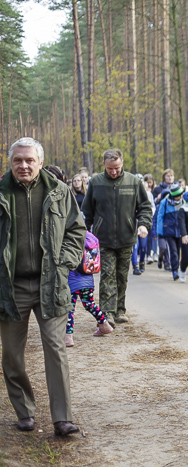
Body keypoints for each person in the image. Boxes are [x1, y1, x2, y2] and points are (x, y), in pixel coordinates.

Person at [0, 137, 86, 436]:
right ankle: (24, 411)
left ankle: (62, 418)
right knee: (12, 354)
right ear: (10, 162)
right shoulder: (1, 192)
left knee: (56, 349)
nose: (23, 165)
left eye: (29, 160)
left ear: (40, 162)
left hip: (51, 283)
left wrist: (64, 262)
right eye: (17, 160)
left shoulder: (59, 191)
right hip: (10, 287)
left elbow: (76, 230)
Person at [81, 149, 152, 326]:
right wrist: (84, 232)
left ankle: (120, 309)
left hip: (126, 237)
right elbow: (87, 211)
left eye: (117, 168)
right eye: (110, 168)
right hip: (103, 239)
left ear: (122, 164)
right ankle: (107, 313)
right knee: (107, 275)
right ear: (104, 164)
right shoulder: (96, 182)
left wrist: (143, 224)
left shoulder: (133, 182)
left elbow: (144, 207)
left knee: (121, 275)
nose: (114, 172)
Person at [65, 231, 113, 346]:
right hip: (88, 277)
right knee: (89, 303)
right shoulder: (90, 237)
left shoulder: (69, 235)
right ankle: (105, 325)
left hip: (72, 279)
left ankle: (68, 337)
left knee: (69, 308)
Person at [157, 183, 186, 281]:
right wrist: (160, 232)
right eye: (178, 196)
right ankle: (174, 271)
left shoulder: (183, 202)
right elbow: (160, 217)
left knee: (178, 251)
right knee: (173, 251)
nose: (180, 197)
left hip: (180, 231)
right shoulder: (164, 203)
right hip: (169, 231)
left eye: (181, 195)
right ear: (173, 196)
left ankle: (178, 268)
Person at [153, 169, 175, 270]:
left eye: (171, 176)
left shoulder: (176, 188)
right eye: (168, 176)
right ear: (164, 177)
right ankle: (162, 259)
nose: (170, 178)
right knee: (163, 247)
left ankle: (168, 264)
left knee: (170, 246)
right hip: (161, 223)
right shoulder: (158, 189)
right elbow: (153, 204)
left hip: (171, 223)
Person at [143, 174, 157, 264]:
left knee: (152, 237)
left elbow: (153, 206)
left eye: (150, 183)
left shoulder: (151, 193)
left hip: (151, 217)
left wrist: (151, 213)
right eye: (147, 183)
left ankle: (152, 254)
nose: (148, 185)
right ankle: (145, 255)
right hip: (141, 219)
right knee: (145, 239)